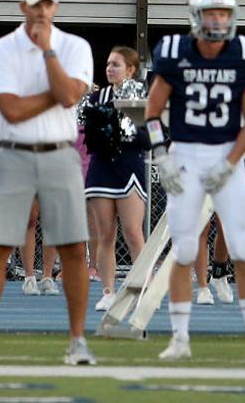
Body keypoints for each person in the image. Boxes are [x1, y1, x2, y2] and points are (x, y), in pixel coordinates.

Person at [0, 0, 95, 367]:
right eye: (35, 5)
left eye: (48, 5)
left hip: (59, 152)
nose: (41, 12)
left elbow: (70, 96)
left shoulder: (73, 46)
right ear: (23, 7)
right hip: (13, 154)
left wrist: (49, 53)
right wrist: (57, 92)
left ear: (56, 7)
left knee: (72, 246)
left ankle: (77, 340)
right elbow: (13, 111)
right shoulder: (1, 48)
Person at [144, 0, 245, 361]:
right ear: (196, 16)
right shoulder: (174, 52)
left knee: (243, 247)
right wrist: (162, 155)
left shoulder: (244, 52)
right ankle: (180, 338)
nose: (218, 20)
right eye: (211, 13)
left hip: (225, 154)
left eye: (224, 13)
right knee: (184, 249)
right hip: (185, 152)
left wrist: (231, 162)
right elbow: (153, 113)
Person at [85, 45, 147, 311]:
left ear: (131, 69)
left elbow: (154, 135)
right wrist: (100, 135)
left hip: (130, 168)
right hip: (102, 170)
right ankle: (108, 291)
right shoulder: (97, 98)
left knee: (133, 232)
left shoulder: (143, 96)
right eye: (108, 64)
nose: (110, 68)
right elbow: (88, 137)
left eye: (116, 64)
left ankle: (143, 287)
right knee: (105, 234)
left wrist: (126, 133)